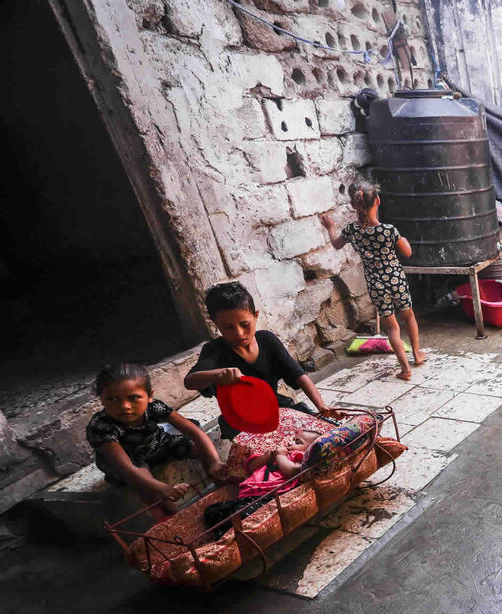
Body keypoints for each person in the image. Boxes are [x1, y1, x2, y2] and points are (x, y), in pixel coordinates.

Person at [184, 282, 339, 439]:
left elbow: (299, 376)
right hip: (240, 421)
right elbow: (189, 382)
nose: (239, 333)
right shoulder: (214, 351)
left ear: (255, 316)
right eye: (228, 328)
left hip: (276, 406)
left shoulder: (267, 340)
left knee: (326, 433)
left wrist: (321, 406)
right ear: (216, 324)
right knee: (272, 455)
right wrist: (218, 375)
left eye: (245, 325)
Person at [319, 180, 427, 379]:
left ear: (353, 205)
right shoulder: (388, 230)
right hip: (396, 279)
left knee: (392, 327)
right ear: (377, 201)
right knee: (408, 315)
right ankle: (418, 354)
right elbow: (408, 252)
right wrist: (405, 241)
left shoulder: (352, 231)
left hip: (376, 285)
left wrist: (331, 227)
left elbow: (335, 244)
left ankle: (405, 370)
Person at [86, 362, 224, 513]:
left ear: (149, 396)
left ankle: (224, 491)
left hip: (156, 444)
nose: (124, 406)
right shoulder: (101, 426)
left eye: (133, 398)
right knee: (148, 487)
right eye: (112, 399)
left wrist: (214, 462)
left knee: (201, 448)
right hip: (127, 460)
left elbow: (194, 432)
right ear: (101, 399)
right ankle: (179, 520)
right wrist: (164, 488)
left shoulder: (154, 407)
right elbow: (126, 469)